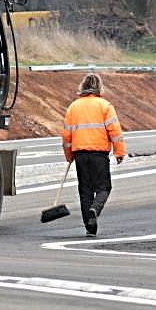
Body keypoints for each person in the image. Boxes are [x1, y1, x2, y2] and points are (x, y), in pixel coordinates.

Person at [62, 73, 126, 236]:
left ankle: (89, 226)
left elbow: (66, 135)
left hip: (80, 155)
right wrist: (119, 152)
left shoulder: (73, 107)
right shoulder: (105, 106)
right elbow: (115, 131)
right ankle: (94, 209)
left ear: (82, 87)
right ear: (99, 88)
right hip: (99, 154)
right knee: (104, 188)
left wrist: (69, 155)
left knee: (85, 191)